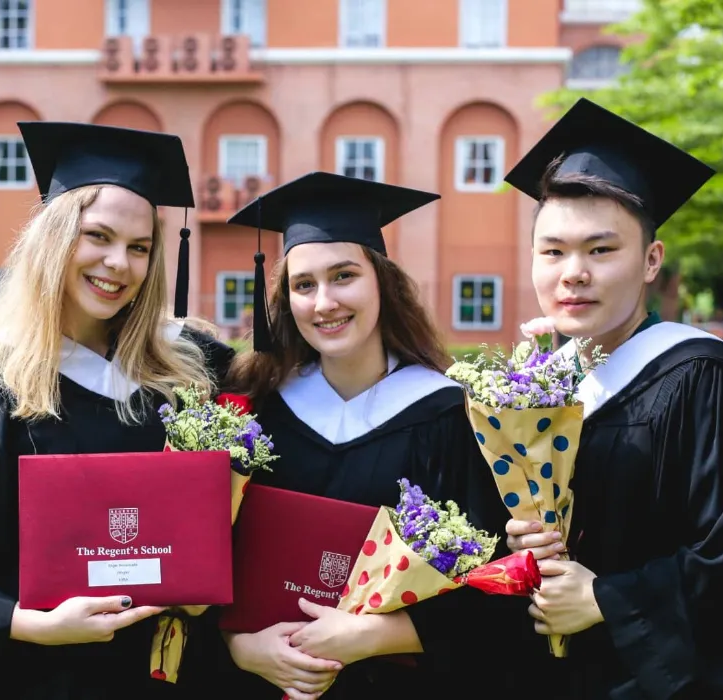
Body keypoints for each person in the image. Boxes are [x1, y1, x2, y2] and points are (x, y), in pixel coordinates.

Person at [0, 122, 235, 700]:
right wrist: (34, 625)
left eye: (139, 247)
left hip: (159, 677)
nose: (118, 263)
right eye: (98, 236)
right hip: (32, 679)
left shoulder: (188, 377)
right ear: (55, 238)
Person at [500, 97, 723, 698]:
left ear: (651, 260)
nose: (572, 272)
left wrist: (604, 599)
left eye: (601, 250)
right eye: (552, 251)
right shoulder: (540, 390)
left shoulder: (706, 382)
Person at [219, 171, 541, 699]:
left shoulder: (449, 418)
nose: (324, 302)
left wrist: (374, 636)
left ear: (382, 283)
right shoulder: (258, 416)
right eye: (303, 285)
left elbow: (491, 587)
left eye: (344, 276)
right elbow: (212, 566)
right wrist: (238, 646)